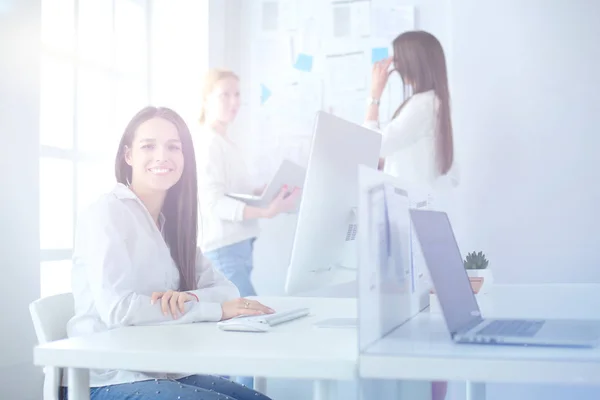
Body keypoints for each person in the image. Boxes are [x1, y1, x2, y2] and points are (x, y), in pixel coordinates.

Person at [61, 106, 274, 400]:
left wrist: (190, 298)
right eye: (148, 146)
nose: (162, 156)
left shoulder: (171, 227)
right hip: (104, 377)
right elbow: (118, 309)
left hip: (158, 369)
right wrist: (212, 309)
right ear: (128, 156)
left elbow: (227, 291)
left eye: (174, 147)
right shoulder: (107, 213)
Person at [365, 30, 458, 400]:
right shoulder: (440, 104)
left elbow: (372, 146)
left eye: (397, 59)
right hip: (431, 224)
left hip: (412, 228)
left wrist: (374, 94)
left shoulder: (421, 105)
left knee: (412, 327)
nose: (394, 66)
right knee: (432, 326)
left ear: (410, 62)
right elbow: (453, 172)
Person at [195, 69, 300, 298]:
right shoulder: (209, 143)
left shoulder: (226, 142)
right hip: (224, 250)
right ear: (206, 99)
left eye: (237, 94)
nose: (234, 102)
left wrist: (259, 193)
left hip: (239, 246)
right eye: (225, 95)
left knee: (246, 319)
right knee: (251, 317)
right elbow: (213, 203)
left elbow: (230, 191)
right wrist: (265, 212)